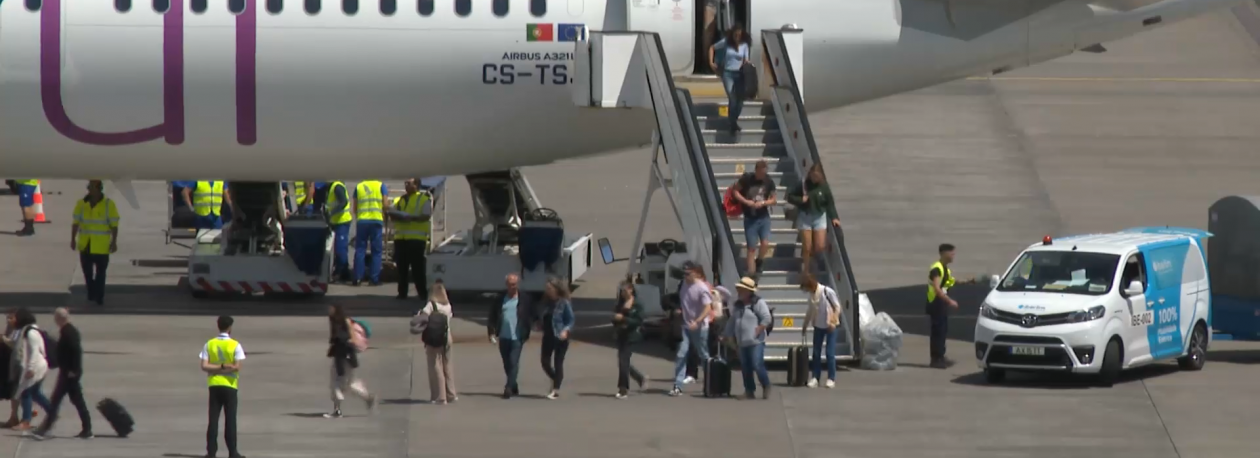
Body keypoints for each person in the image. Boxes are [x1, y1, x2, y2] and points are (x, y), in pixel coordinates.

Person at [33, 308, 92, 440]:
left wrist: (74, 370)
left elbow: (76, 352)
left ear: (59, 318)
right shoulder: (69, 331)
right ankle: (87, 429)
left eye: (55, 317)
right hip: (68, 372)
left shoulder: (68, 332)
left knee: (56, 401)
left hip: (69, 374)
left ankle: (45, 429)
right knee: (77, 401)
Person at [200, 315, 245, 458]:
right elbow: (236, 367)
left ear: (218, 326)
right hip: (230, 386)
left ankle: (211, 452)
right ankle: (233, 452)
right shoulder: (235, 345)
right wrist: (226, 367)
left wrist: (217, 368)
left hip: (214, 385)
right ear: (230, 327)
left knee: (213, 419)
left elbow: (204, 366)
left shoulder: (209, 344)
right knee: (230, 419)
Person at [70, 180, 120, 306]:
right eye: (89, 187)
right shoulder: (81, 204)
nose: (90, 190)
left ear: (99, 189)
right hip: (86, 244)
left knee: (101, 273)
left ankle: (99, 296)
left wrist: (114, 242)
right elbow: (75, 223)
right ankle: (91, 292)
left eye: (92, 187)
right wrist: (72, 239)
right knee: (87, 273)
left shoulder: (109, 204)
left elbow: (114, 225)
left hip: (101, 245)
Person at [486, 273, 535, 399]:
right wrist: (491, 332)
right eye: (510, 284)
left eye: (514, 284)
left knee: (513, 362)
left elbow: (532, 314)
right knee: (507, 364)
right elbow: (492, 316)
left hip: (517, 337)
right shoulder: (500, 298)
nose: (512, 287)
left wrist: (532, 325)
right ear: (506, 285)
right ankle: (514, 385)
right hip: (503, 336)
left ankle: (508, 388)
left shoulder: (524, 298)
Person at [723, 277, 772, 400]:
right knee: (745, 367)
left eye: (741, 290)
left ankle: (766, 385)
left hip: (756, 341)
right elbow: (732, 321)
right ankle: (749, 391)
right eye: (738, 289)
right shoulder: (738, 305)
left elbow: (767, 317)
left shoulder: (758, 303)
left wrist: (760, 328)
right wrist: (726, 334)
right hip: (742, 342)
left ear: (749, 291)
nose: (738, 292)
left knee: (757, 364)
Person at [786, 164, 841, 272]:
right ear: (810, 174)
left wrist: (834, 217)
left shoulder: (824, 187)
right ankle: (806, 270)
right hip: (805, 216)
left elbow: (829, 203)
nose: (815, 178)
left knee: (820, 246)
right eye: (813, 176)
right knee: (807, 246)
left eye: (817, 176)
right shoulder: (803, 184)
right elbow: (790, 196)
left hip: (819, 216)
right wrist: (801, 200)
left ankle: (810, 257)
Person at [324, 305, 377, 418]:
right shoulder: (337, 321)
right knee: (348, 383)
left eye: (331, 309)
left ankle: (337, 410)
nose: (329, 311)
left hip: (344, 355)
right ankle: (366, 397)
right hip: (342, 355)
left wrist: (341, 342)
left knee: (336, 382)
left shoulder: (345, 321)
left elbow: (351, 338)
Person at [669, 263, 713, 397]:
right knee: (681, 354)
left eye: (688, 274)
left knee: (703, 355)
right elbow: (684, 301)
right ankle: (677, 386)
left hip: (700, 327)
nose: (685, 276)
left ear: (696, 274)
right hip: (686, 326)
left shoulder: (701, 288)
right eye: (684, 273)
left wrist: (697, 321)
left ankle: (710, 382)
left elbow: (707, 308)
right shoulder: (684, 284)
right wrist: (680, 310)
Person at [731, 160, 776, 276]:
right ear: (756, 170)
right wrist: (747, 202)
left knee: (765, 243)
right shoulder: (747, 179)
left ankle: (760, 260)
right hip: (750, 218)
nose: (762, 175)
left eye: (764, 173)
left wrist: (764, 203)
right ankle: (752, 273)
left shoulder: (769, 181)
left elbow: (774, 199)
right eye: (761, 173)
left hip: (763, 217)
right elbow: (735, 191)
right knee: (751, 248)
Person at [392, 178, 434, 300]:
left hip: (416, 239)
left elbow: (426, 216)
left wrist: (410, 218)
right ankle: (402, 293)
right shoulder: (401, 199)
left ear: (416, 185)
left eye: (408, 184)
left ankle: (422, 293)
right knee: (401, 268)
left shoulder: (423, 199)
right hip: (401, 238)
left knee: (418, 269)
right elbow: (393, 212)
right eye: (405, 183)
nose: (406, 186)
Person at [12, 308, 51, 431]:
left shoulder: (31, 333)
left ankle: (26, 421)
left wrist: (30, 368)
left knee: (26, 392)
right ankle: (52, 412)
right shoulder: (29, 330)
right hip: (37, 366)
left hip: (36, 366)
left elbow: (34, 352)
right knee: (35, 393)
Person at [707, 24, 751, 134]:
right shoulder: (726, 42)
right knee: (732, 98)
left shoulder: (744, 45)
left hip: (740, 74)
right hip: (728, 73)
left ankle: (733, 120)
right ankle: (732, 124)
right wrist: (711, 63)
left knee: (740, 101)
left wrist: (747, 63)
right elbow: (712, 48)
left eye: (739, 35)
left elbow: (746, 59)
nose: (737, 37)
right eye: (735, 35)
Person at [799, 273, 841, 388]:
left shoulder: (826, 291)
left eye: (806, 289)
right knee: (816, 353)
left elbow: (837, 307)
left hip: (830, 325)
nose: (807, 291)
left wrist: (833, 321)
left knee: (829, 353)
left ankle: (831, 378)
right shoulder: (812, 296)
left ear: (810, 286)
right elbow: (810, 311)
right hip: (818, 326)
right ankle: (815, 377)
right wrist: (805, 325)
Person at [419, 281, 457, 404]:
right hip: (447, 337)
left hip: (434, 339)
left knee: (435, 366)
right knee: (447, 366)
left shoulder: (431, 305)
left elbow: (422, 317)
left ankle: (440, 396)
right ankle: (451, 394)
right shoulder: (448, 306)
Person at [539, 276, 575, 400]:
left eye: (550, 288)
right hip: (548, 335)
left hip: (560, 336)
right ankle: (556, 379)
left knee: (558, 362)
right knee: (544, 362)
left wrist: (566, 330)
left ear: (556, 289)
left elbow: (570, 320)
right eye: (547, 288)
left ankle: (555, 389)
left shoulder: (564, 303)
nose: (547, 290)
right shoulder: (546, 302)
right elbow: (542, 316)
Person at [612, 280, 646, 399]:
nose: (623, 293)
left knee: (623, 362)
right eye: (621, 291)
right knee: (623, 362)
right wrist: (616, 319)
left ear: (631, 290)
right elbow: (614, 318)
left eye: (625, 291)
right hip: (621, 335)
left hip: (631, 336)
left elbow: (638, 321)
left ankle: (623, 389)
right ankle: (639, 377)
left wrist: (624, 319)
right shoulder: (620, 304)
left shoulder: (637, 305)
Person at [928, 243, 960, 369]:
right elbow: (937, 288)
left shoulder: (945, 268)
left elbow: (950, 281)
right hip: (935, 303)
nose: (953, 256)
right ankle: (936, 359)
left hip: (940, 304)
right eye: (951, 253)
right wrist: (949, 301)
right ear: (944, 254)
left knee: (943, 331)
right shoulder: (937, 269)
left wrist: (968, 281)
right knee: (937, 332)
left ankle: (941, 355)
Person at [352, 180, 388, 286]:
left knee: (360, 249)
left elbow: (354, 208)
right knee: (376, 251)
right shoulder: (381, 185)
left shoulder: (359, 186)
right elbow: (385, 204)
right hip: (376, 221)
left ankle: (358, 278)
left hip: (362, 221)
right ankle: (374, 279)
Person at [325, 181, 353, 283]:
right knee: (337, 248)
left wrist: (331, 213)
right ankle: (341, 271)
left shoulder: (337, 187)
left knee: (341, 249)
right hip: (335, 221)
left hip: (342, 221)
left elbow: (343, 202)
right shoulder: (332, 187)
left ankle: (342, 273)